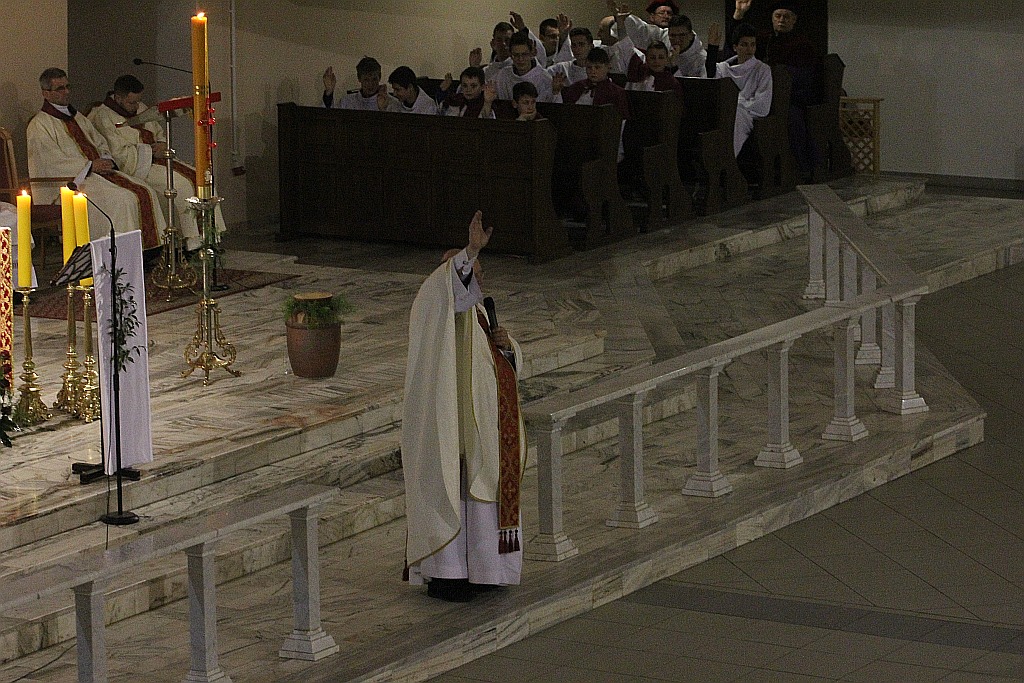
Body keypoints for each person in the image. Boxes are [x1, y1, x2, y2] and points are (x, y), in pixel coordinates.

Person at [402, 211, 526, 603]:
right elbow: (452, 289)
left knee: (482, 498)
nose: (474, 274)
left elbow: (503, 363)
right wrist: (469, 250)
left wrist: (508, 346)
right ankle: (449, 573)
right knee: (453, 492)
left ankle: (486, 570)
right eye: (466, 269)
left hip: (484, 425)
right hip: (450, 424)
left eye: (477, 268)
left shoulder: (480, 312)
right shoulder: (434, 304)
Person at [27, 68, 165, 249]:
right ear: (45, 93)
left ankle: (147, 252)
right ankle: (116, 255)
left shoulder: (77, 117)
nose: (67, 92)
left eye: (68, 86)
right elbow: (50, 162)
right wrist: (90, 166)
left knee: (144, 190)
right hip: (69, 183)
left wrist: (106, 159)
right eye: (60, 88)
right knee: (123, 199)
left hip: (96, 174)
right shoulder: (39, 125)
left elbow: (99, 142)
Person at [88, 75, 224, 251]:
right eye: (132, 102)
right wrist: (150, 151)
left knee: (202, 179)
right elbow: (118, 153)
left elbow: (158, 131)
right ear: (118, 97)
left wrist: (161, 144)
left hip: (159, 159)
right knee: (182, 186)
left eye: (138, 101)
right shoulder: (103, 116)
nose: (137, 107)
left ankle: (210, 235)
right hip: (139, 166)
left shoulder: (141, 108)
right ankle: (193, 242)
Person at [730, 0, 822, 176]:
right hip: (759, 95)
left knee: (792, 121)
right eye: (778, 16)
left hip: (791, 97)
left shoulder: (803, 45)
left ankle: (797, 169)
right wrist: (738, 16)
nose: (781, 20)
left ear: (794, 20)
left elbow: (805, 78)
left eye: (786, 17)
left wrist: (776, 76)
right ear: (772, 19)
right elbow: (739, 39)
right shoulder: (764, 40)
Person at [715, 24, 773, 157]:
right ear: (735, 47)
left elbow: (763, 105)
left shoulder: (762, 69)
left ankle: (727, 159)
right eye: (744, 44)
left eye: (753, 44)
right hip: (724, 111)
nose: (749, 49)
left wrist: (737, 105)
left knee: (736, 117)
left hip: (747, 115)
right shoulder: (722, 68)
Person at [492, 30, 562, 102]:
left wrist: (555, 92)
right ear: (510, 55)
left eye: (524, 54)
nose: (520, 59)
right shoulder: (502, 75)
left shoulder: (545, 78)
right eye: (516, 55)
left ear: (532, 53)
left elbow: (555, 107)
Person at [321, 56, 399, 111]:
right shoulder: (347, 102)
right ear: (359, 78)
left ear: (380, 77)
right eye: (366, 80)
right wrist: (329, 92)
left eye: (374, 79)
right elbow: (330, 119)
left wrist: (383, 109)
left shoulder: (391, 102)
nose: (370, 84)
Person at [610, 0, 677, 51]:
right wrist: (623, 19)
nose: (666, 16)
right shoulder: (647, 31)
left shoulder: (676, 34)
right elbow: (634, 24)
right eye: (662, 13)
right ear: (652, 17)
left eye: (669, 14)